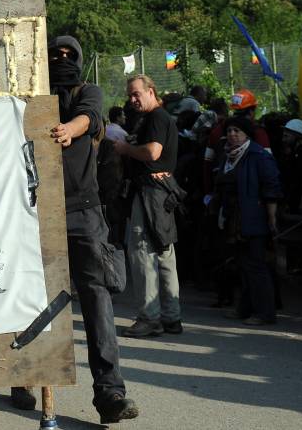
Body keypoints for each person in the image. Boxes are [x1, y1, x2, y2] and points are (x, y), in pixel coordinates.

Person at [11, 37, 138, 422]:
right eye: (55, 55)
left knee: (97, 300)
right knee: (32, 299)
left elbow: (89, 117)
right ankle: (24, 378)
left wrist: (69, 129)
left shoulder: (89, 92)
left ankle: (110, 394)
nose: (62, 60)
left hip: (84, 211)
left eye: (69, 55)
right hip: (36, 210)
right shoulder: (32, 93)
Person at [116, 74, 183, 338]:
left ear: (151, 92)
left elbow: (152, 152)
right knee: (164, 253)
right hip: (161, 191)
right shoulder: (156, 118)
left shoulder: (156, 118)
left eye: (137, 94)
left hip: (150, 192)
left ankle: (150, 318)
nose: (132, 99)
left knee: (142, 253)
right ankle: (171, 317)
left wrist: (124, 148)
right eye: (130, 95)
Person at [213, 116, 283, 324]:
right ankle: (245, 308)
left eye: (237, 131)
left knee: (256, 266)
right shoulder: (228, 155)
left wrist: (271, 218)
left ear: (247, 134)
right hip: (234, 219)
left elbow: (272, 186)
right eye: (230, 130)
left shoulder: (258, 155)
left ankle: (265, 313)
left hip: (254, 218)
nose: (233, 134)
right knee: (243, 266)